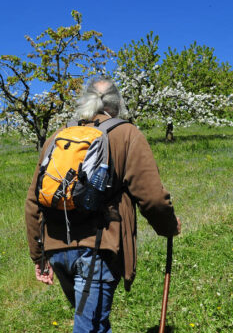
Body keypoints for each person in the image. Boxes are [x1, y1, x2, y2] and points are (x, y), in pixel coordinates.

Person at [25, 76, 181, 333]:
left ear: (84, 103)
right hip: (97, 248)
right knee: (90, 327)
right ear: (116, 104)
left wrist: (39, 255)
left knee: (93, 322)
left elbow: (33, 201)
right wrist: (167, 226)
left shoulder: (57, 137)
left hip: (57, 249)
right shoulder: (126, 134)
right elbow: (152, 197)